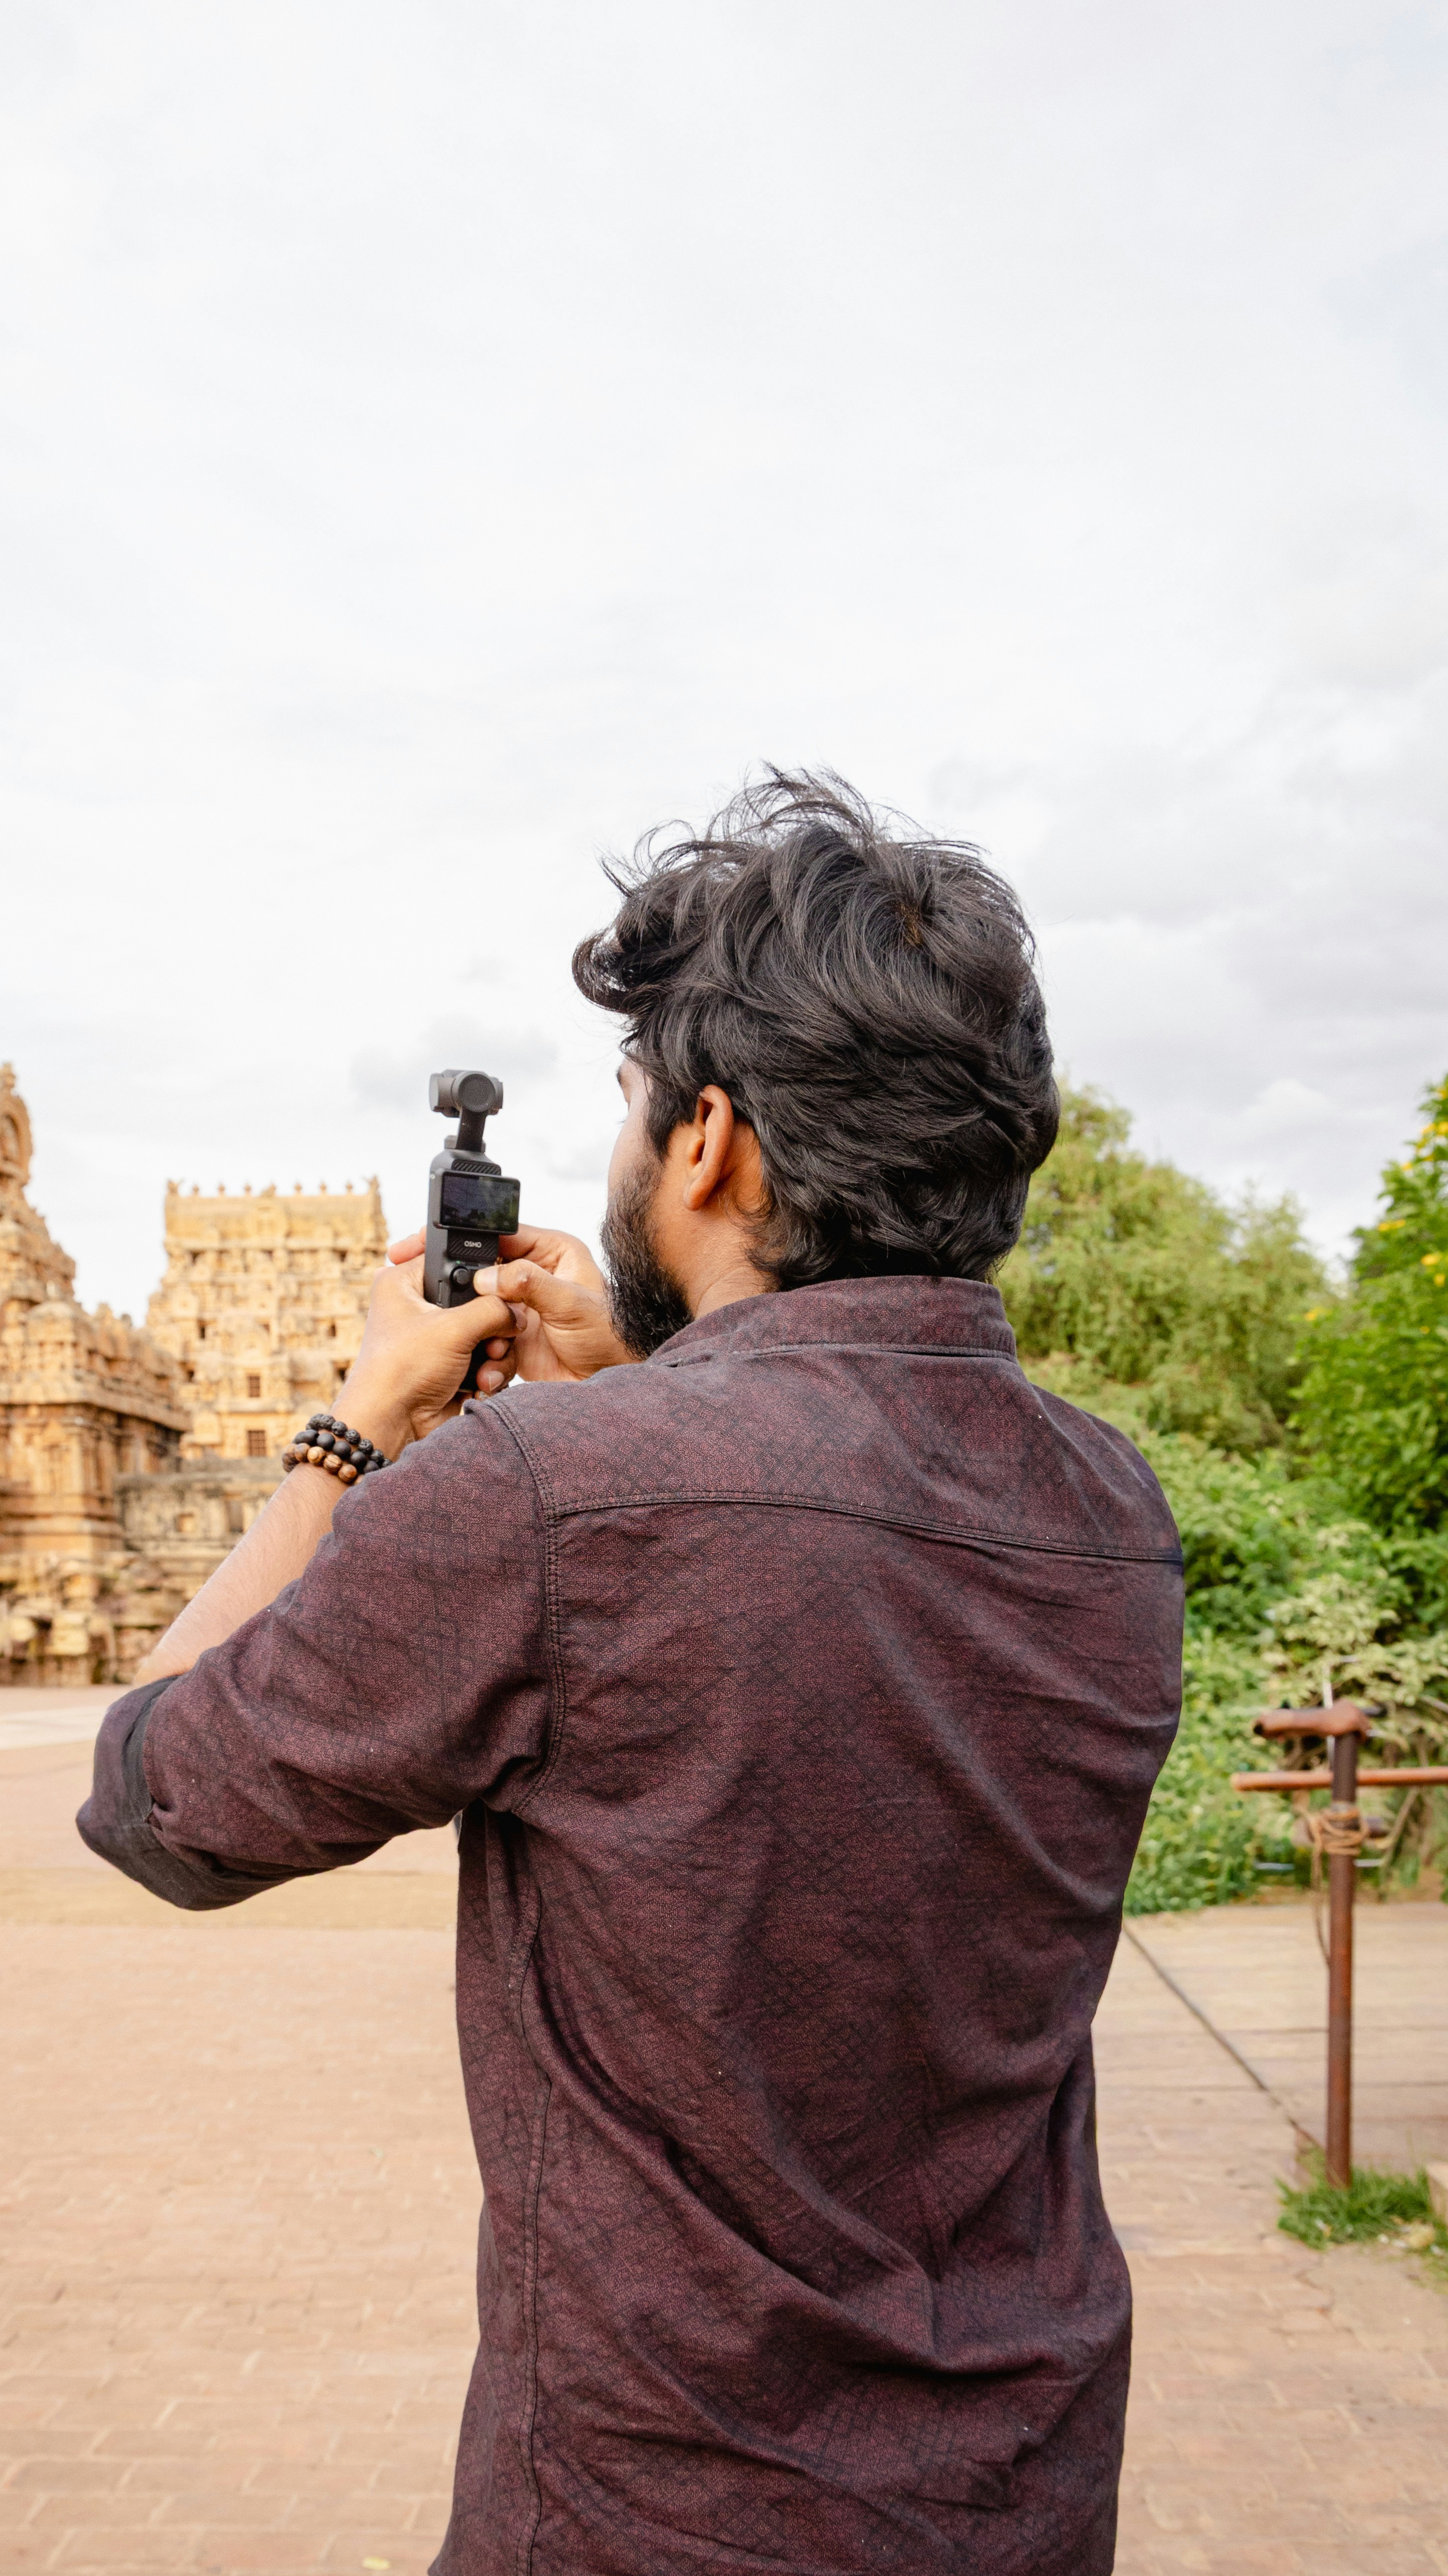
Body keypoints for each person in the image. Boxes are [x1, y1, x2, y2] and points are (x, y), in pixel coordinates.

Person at [79, 769, 1183, 2576]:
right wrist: (640, 1392)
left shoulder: (547, 1501)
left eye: (634, 1111)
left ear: (709, 1145)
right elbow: (808, 1575)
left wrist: (355, 1434)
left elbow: (160, 1800)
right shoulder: (1110, 1511)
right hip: (1022, 2487)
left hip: (654, 2507)